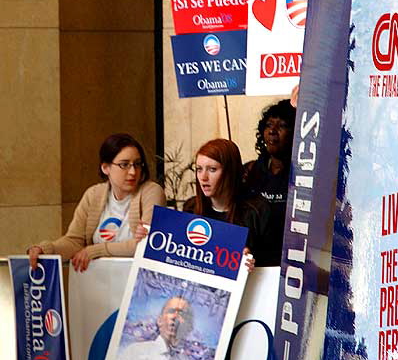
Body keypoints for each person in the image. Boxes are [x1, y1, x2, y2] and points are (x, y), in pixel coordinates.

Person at [28, 133, 166, 272]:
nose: (132, 172)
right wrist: (46, 250)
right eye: (124, 165)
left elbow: (147, 244)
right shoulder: (93, 195)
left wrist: (95, 251)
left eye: (137, 164)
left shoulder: (151, 192)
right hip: (99, 282)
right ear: (105, 168)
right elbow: (75, 241)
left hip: (137, 283)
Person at [183, 138, 274, 267]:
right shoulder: (190, 208)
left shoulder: (258, 211)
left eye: (212, 169)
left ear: (230, 172)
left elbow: (271, 266)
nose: (203, 177)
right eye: (199, 169)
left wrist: (252, 262)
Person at [242, 99, 296, 265]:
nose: (272, 131)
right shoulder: (249, 171)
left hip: (289, 264)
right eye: (269, 125)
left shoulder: (304, 174)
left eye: (281, 126)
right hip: (255, 265)